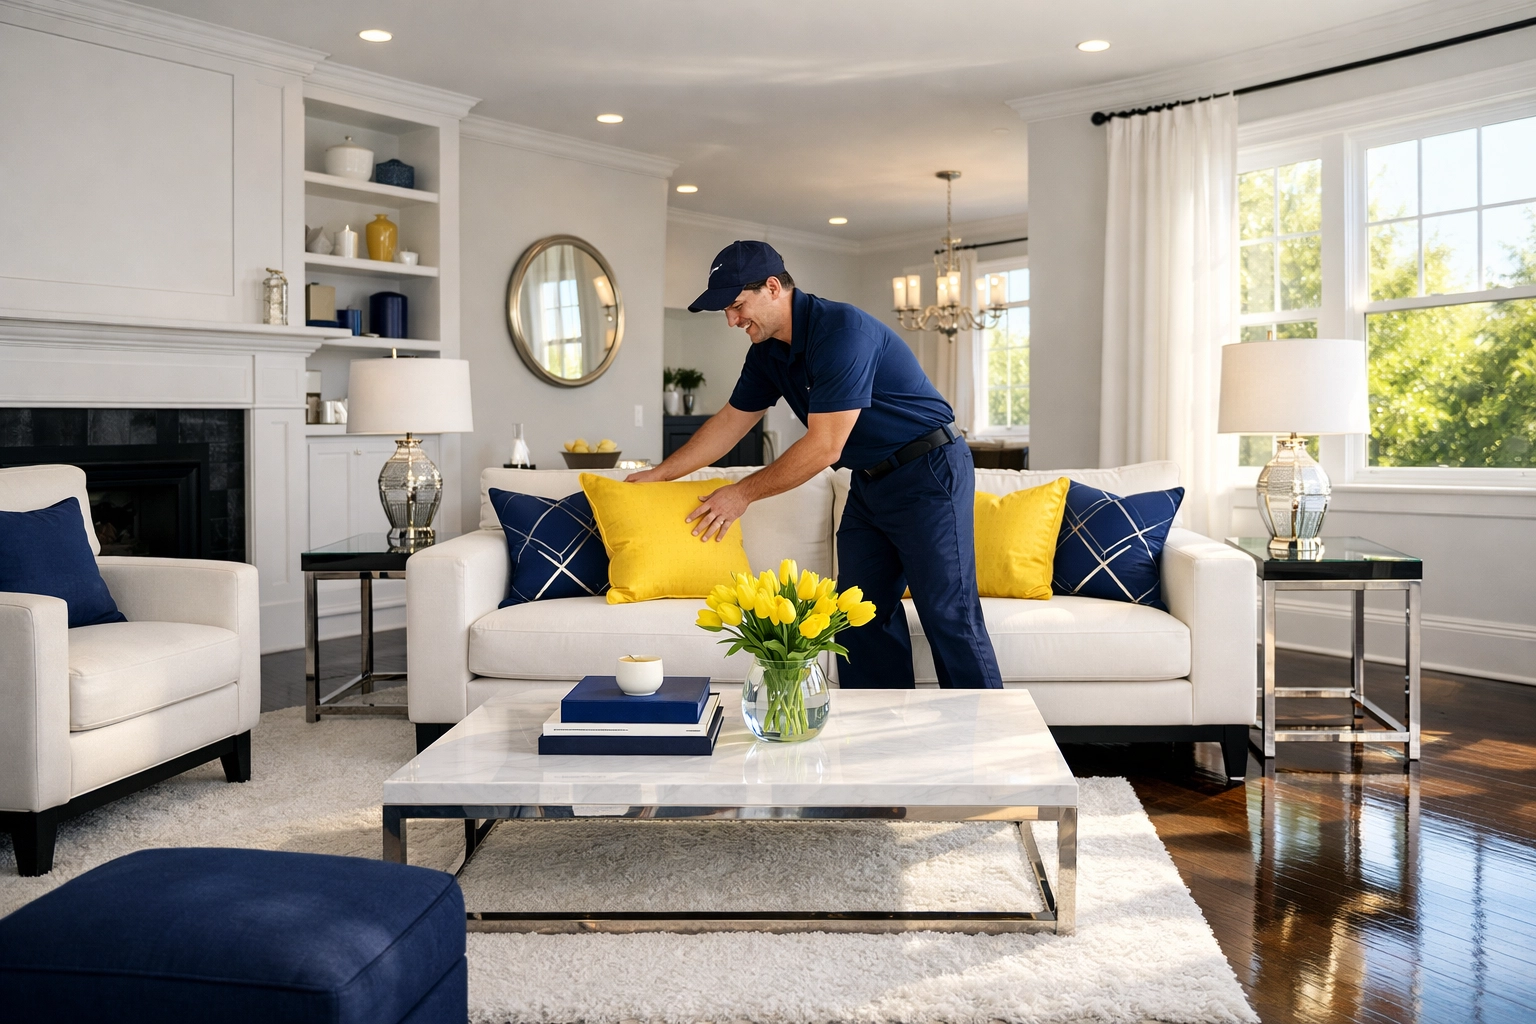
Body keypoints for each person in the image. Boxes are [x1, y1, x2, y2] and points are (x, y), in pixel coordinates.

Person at [626, 240, 1001, 689]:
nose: (732, 320)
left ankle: (988, 748)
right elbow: (730, 422)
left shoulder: (842, 331)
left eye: (737, 305)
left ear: (772, 288)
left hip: (929, 471)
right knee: (858, 615)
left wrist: (741, 494)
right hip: (870, 481)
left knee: (947, 613)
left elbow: (825, 446)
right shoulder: (767, 353)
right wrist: (659, 474)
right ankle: (881, 738)